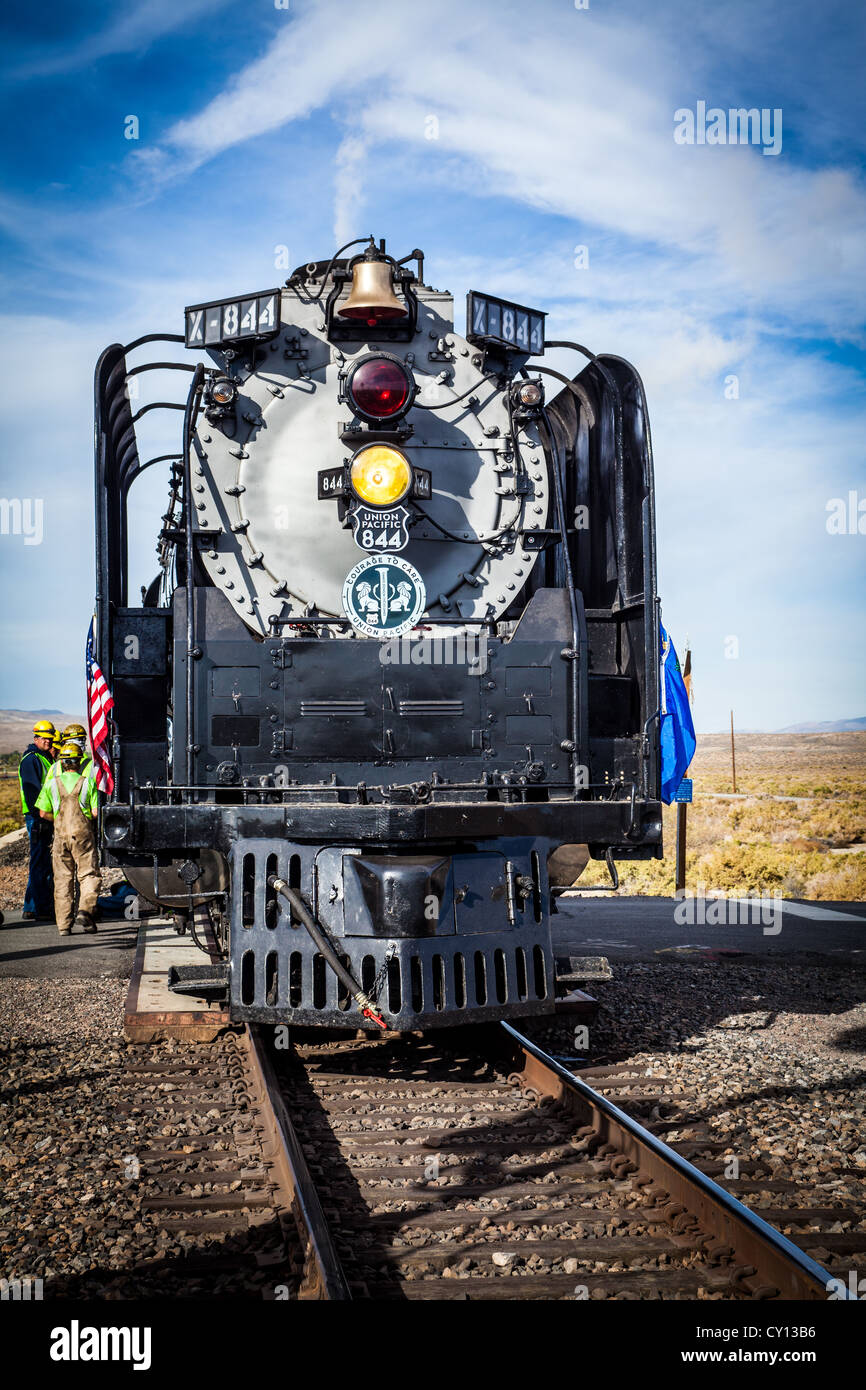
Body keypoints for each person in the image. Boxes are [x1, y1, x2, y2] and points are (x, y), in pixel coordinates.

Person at [35, 740, 100, 936]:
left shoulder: (51, 784)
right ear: (79, 762)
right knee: (89, 874)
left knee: (62, 880)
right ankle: (85, 910)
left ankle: (63, 926)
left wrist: (57, 816)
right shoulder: (88, 783)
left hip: (60, 836)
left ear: (62, 763)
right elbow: (95, 813)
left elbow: (42, 813)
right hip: (82, 836)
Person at [17, 719, 56, 921]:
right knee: (39, 862)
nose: (48, 741)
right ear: (36, 738)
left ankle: (34, 907)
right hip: (36, 816)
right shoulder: (31, 759)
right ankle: (36, 907)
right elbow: (32, 791)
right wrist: (41, 817)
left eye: (50, 738)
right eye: (44, 738)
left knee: (41, 862)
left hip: (43, 816)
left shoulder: (43, 758)